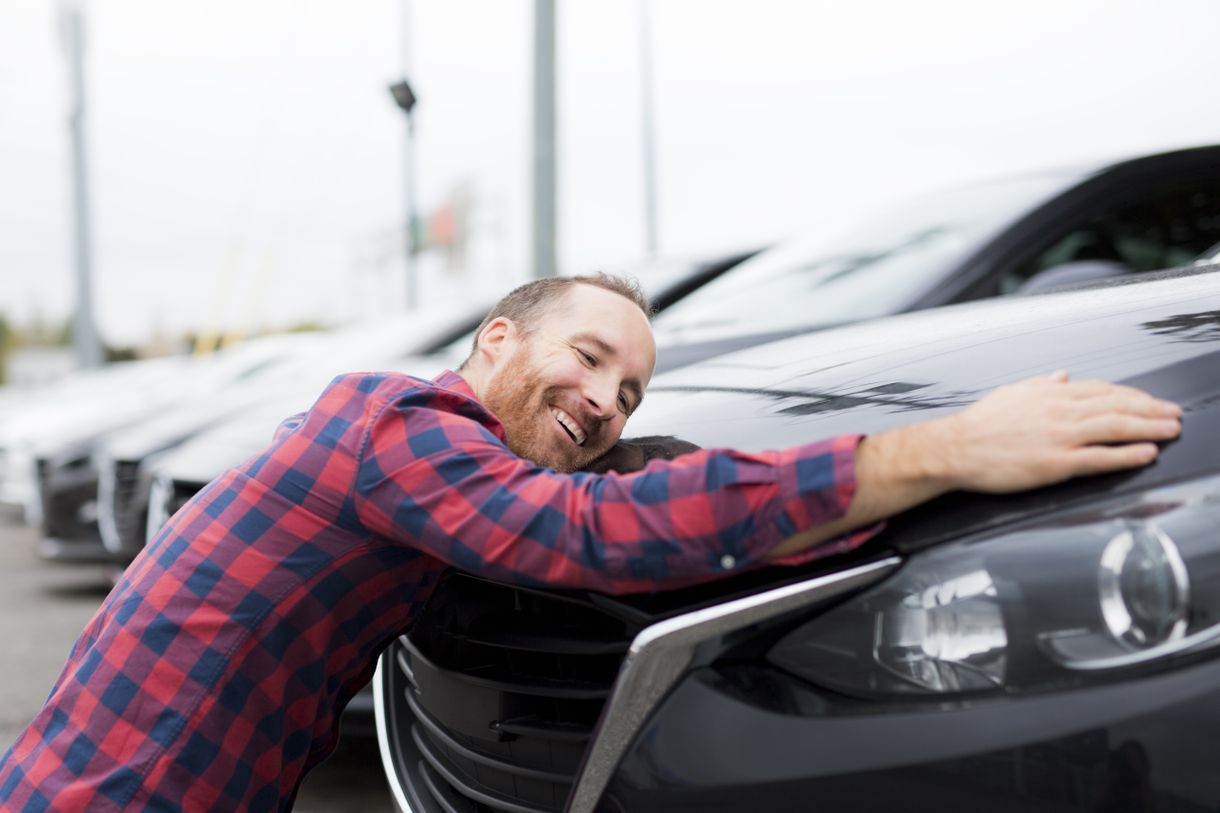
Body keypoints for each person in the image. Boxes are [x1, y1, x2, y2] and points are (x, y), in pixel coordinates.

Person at [0, 274, 1181, 812]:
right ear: (498, 339)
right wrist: (939, 452)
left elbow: (623, 496)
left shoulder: (405, 451)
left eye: (629, 389)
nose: (607, 400)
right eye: (588, 360)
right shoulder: (394, 429)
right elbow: (584, 532)